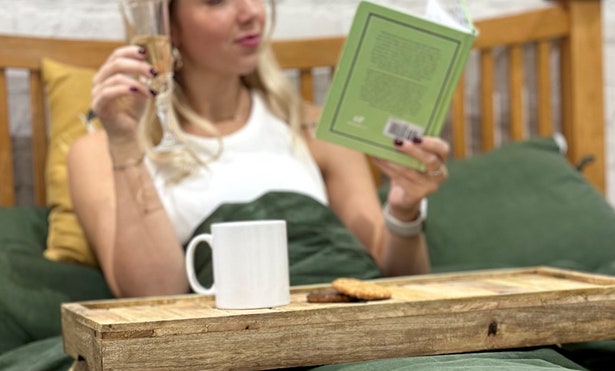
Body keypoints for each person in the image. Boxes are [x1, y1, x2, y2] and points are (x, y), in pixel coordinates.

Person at [67, 0, 450, 299]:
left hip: (356, 334)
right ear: (168, 28)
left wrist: (403, 211)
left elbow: (396, 283)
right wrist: (123, 141)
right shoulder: (105, 150)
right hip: (240, 356)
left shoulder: (314, 130)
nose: (251, 12)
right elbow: (151, 296)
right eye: (217, 1)